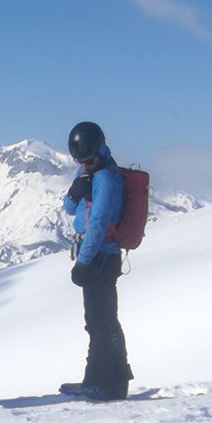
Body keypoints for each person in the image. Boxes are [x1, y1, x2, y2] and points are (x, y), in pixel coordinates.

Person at [58, 121, 133, 402]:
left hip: (101, 257)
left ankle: (105, 384)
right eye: (80, 161)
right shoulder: (89, 174)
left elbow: (99, 224)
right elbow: (69, 209)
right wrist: (75, 190)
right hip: (96, 256)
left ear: (100, 149)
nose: (84, 164)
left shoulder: (106, 179)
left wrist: (83, 262)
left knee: (100, 322)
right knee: (101, 321)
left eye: (88, 160)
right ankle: (105, 380)